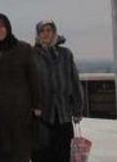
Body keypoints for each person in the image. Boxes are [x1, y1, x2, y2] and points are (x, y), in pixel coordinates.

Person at [0, 13, 42, 162]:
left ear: (8, 27)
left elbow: (33, 78)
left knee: (19, 153)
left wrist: (37, 105)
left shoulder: (23, 49)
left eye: (1, 26)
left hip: (20, 111)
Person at [31, 19, 83, 162]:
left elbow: (74, 81)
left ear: (54, 32)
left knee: (63, 153)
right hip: (42, 115)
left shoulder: (65, 54)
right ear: (38, 34)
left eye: (49, 30)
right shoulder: (32, 55)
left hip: (63, 113)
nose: (46, 34)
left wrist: (78, 108)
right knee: (43, 155)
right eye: (42, 31)